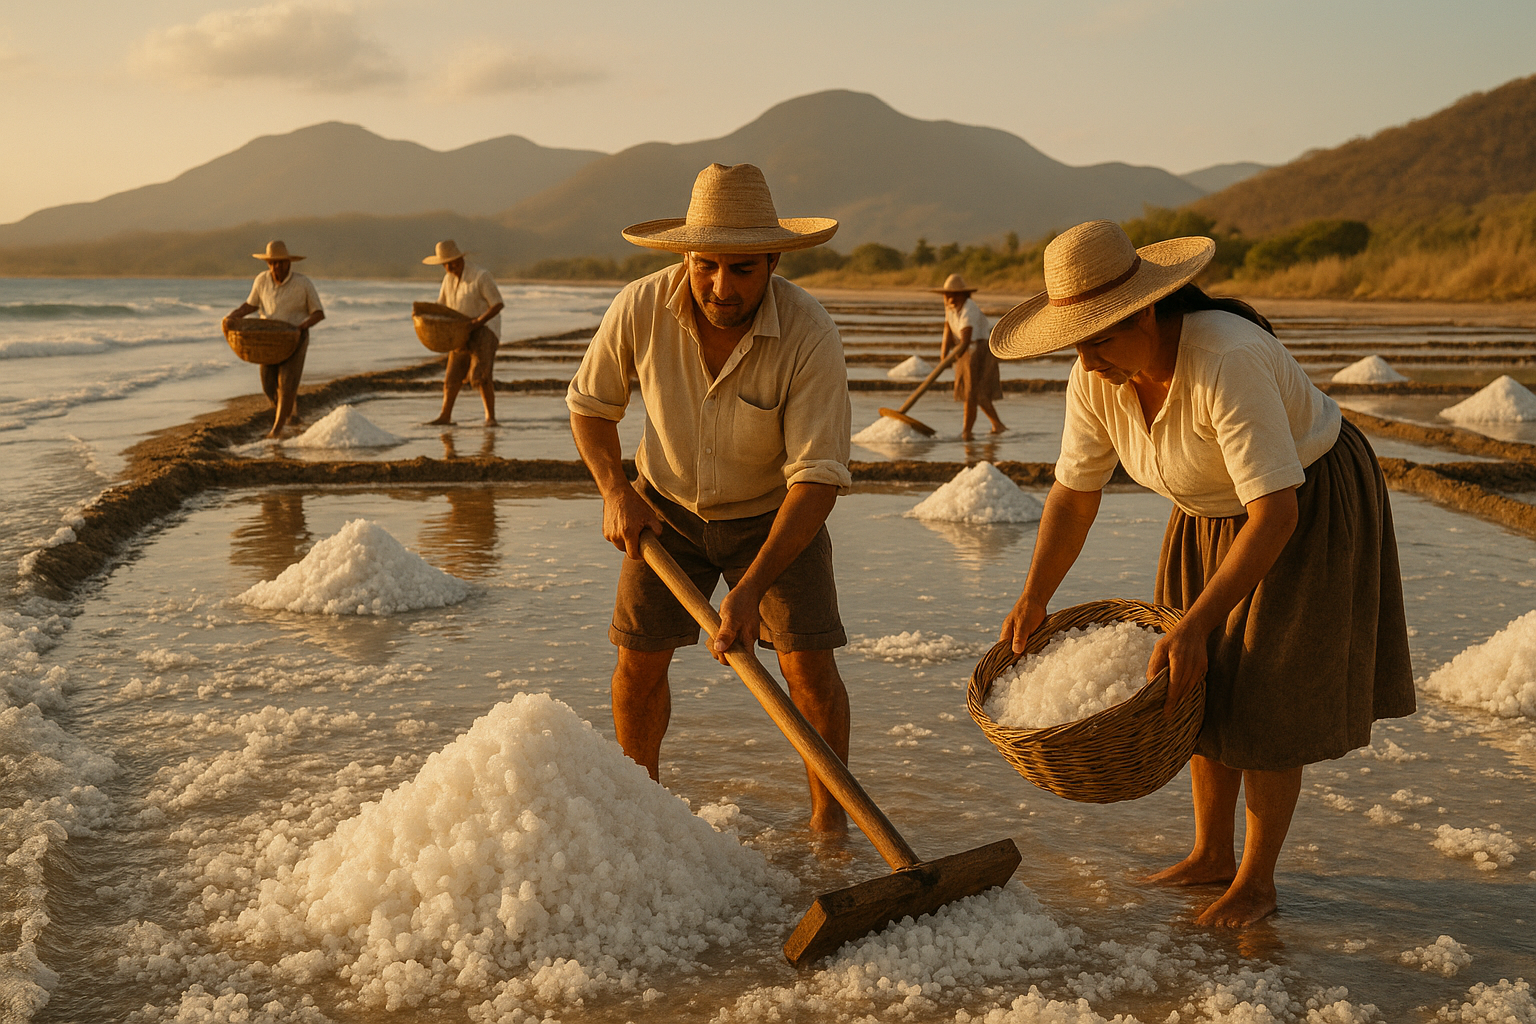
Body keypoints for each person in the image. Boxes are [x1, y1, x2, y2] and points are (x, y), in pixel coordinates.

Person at [989, 220, 1415, 927]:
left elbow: (1275, 514)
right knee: (1191, 683)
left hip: (1302, 501)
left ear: (1147, 310)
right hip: (1206, 512)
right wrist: (1035, 594)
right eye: (1078, 343)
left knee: (1268, 691)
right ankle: (1211, 853)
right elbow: (1073, 492)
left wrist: (1196, 622)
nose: (1088, 361)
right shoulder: (1096, 378)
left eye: (1101, 339)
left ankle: (1256, 879)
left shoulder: (1228, 358)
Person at [567, 163, 854, 832]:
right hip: (662, 508)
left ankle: (831, 826)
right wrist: (615, 490)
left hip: (775, 515)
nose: (721, 287)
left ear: (774, 261)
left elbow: (816, 478)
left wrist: (752, 588)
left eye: (743, 270)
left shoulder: (810, 332)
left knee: (807, 669)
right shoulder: (640, 306)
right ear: (686, 257)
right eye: (706, 266)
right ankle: (642, 813)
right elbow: (589, 406)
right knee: (637, 664)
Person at [226, 240, 324, 437]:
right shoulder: (261, 280)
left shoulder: (302, 283)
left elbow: (318, 313)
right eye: (272, 263)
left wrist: (301, 326)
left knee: (287, 382)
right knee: (268, 384)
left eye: (280, 262)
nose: (276, 266)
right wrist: (233, 316)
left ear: (289, 263)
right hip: (268, 340)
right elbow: (251, 305)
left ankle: (277, 429)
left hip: (296, 338)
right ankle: (289, 409)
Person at [423, 240, 504, 426]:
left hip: (485, 328)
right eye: (447, 264)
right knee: (452, 375)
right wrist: (425, 316)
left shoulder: (481, 276)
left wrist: (477, 322)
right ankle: (445, 416)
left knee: (481, 375)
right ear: (443, 265)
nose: (451, 266)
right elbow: (441, 306)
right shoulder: (448, 279)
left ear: (461, 258)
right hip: (459, 331)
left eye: (454, 262)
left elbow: (497, 304)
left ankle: (490, 417)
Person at [936, 273, 1005, 439]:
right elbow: (947, 331)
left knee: (971, 394)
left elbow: (966, 341)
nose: (949, 298)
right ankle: (998, 425)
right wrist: (943, 357)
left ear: (963, 294)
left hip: (978, 351)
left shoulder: (969, 308)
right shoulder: (950, 308)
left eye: (953, 294)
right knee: (976, 393)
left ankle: (967, 432)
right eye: (947, 295)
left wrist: (950, 359)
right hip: (964, 351)